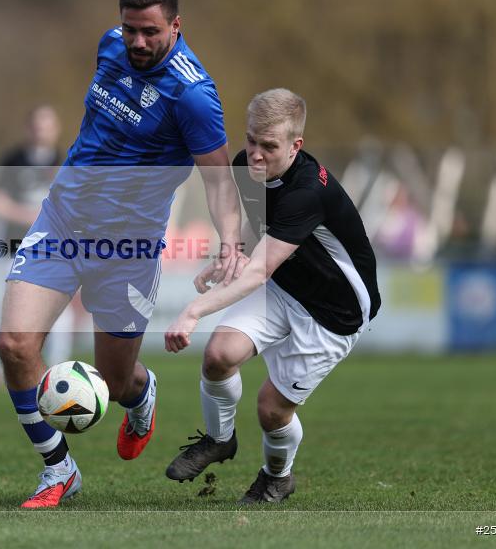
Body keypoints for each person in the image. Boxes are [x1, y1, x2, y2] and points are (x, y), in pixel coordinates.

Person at [0, 0, 242, 508]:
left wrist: (230, 241)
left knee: (115, 377)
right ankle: (58, 470)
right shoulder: (110, 45)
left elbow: (220, 180)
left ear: (176, 26)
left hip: (127, 249)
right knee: (15, 345)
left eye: (150, 32)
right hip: (62, 221)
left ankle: (142, 393)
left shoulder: (194, 96)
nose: (136, 41)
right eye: (130, 28)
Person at [163, 88, 381, 505]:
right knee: (219, 355)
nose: (256, 155)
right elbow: (263, 228)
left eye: (270, 146)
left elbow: (262, 269)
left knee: (271, 409)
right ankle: (219, 439)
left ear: (296, 146)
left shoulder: (307, 192)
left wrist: (192, 312)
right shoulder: (247, 166)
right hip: (287, 286)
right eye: (251, 141)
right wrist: (233, 253)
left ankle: (276, 476)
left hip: (334, 311)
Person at [0, 105, 74, 385]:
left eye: (47, 125)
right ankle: (2, 367)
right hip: (13, 244)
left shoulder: (66, 160)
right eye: (37, 124)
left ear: (56, 128)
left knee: (61, 310)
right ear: (28, 128)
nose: (41, 130)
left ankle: (59, 368)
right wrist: (28, 215)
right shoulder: (13, 160)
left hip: (51, 247)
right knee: (9, 309)